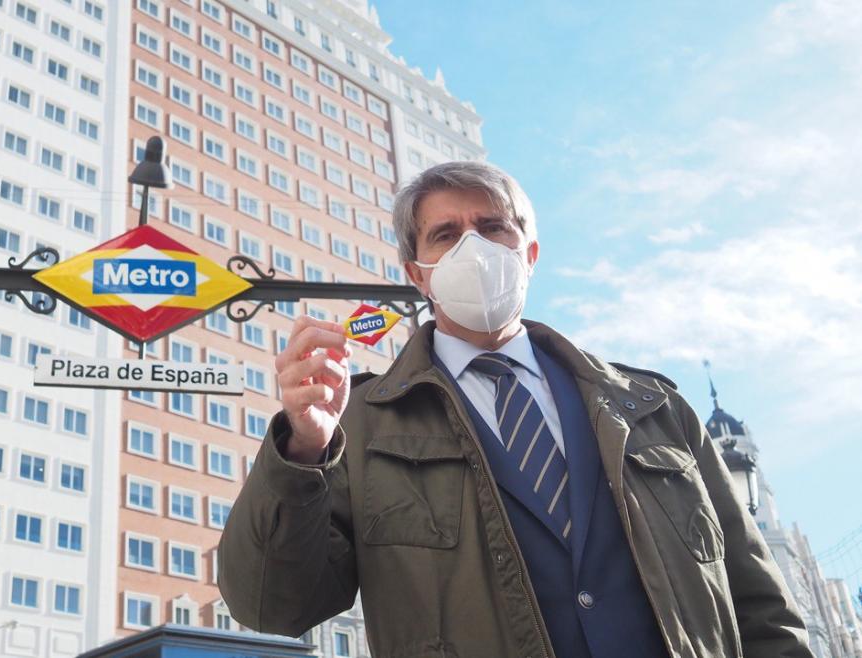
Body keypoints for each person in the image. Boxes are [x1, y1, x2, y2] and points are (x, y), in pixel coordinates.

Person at [217, 161, 812, 658]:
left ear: (528, 253)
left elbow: (761, 607)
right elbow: (273, 604)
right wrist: (302, 450)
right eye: (446, 234)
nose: (472, 246)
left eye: (492, 227)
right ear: (416, 274)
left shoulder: (656, 410)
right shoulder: (362, 425)